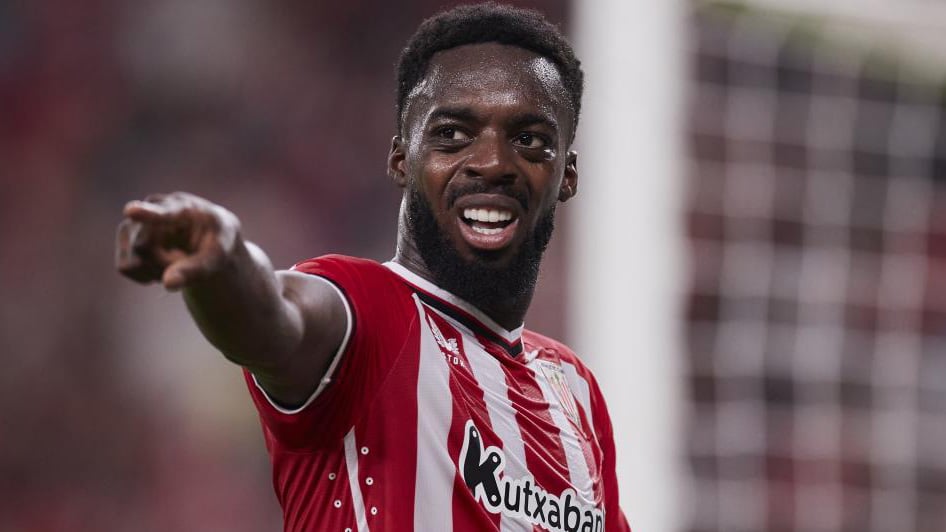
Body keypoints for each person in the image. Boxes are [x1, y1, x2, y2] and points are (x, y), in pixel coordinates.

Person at [115, 3, 630, 531]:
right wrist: (223, 263)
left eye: (529, 140)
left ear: (568, 175)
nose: (493, 163)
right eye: (453, 134)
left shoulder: (575, 391)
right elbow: (276, 319)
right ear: (401, 159)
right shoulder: (371, 314)